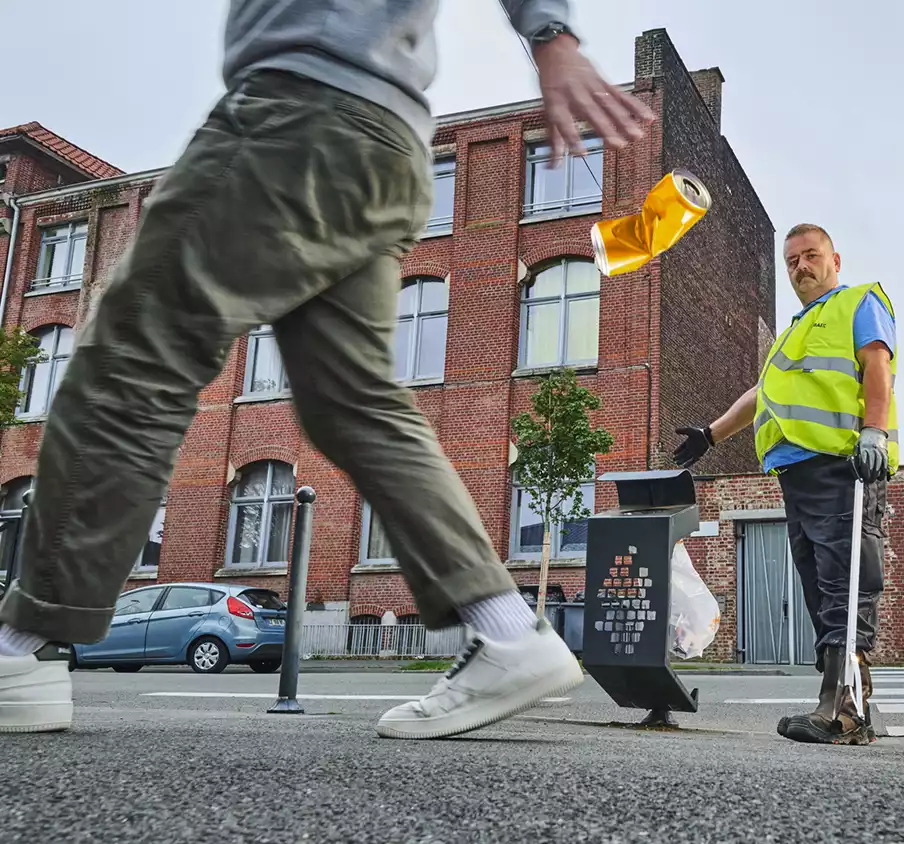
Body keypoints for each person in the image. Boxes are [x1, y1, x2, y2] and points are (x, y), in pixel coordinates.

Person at [0, 0, 653, 739]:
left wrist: (549, 34)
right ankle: (506, 629)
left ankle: (21, 649)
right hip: (389, 151)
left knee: (129, 364)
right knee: (355, 401)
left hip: (294, 115)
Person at [672, 223, 897, 745]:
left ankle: (840, 710)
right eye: (791, 261)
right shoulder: (793, 333)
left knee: (846, 583)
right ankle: (852, 707)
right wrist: (710, 434)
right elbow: (760, 394)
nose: (800, 267)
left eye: (810, 256)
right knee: (821, 589)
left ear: (834, 259)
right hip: (797, 473)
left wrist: (875, 432)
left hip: (844, 465)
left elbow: (877, 365)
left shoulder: (860, 302)